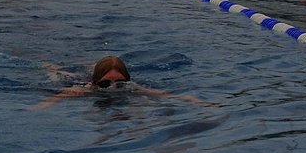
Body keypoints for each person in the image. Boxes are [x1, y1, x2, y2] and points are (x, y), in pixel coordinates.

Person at [34, 55, 211, 108]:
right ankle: (51, 66)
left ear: (127, 80)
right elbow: (57, 97)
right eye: (105, 84)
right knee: (57, 74)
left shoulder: (131, 87)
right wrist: (38, 108)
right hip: (75, 79)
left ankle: (96, 64)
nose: (113, 88)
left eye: (119, 82)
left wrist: (189, 99)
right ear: (96, 83)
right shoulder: (85, 89)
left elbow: (161, 94)